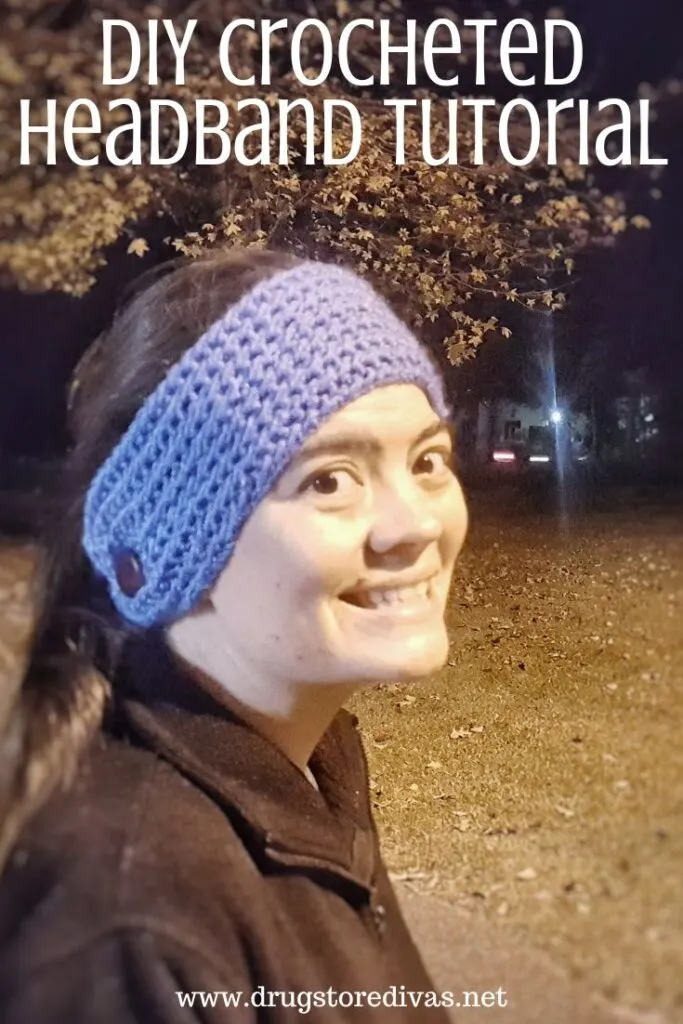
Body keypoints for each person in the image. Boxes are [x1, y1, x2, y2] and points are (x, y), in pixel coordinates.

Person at [0, 249, 468, 1022]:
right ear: (171, 536)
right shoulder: (128, 928)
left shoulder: (309, 761)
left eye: (427, 461)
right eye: (327, 479)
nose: (415, 523)